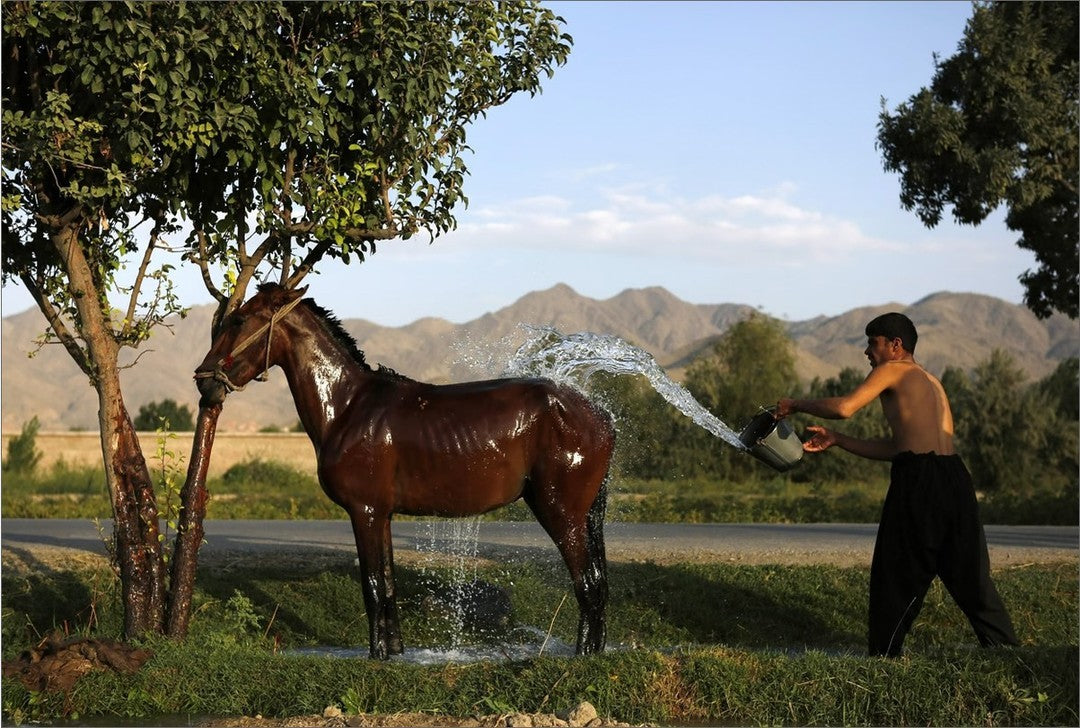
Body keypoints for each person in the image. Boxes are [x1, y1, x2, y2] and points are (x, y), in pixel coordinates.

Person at [775, 312, 1018, 657]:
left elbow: (845, 407)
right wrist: (839, 441)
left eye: (872, 343)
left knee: (894, 571)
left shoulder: (892, 370)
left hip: (920, 479)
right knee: (970, 576)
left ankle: (883, 658)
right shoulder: (931, 381)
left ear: (895, 345)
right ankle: (1009, 654)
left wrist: (796, 405)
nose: (866, 352)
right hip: (954, 478)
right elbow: (899, 448)